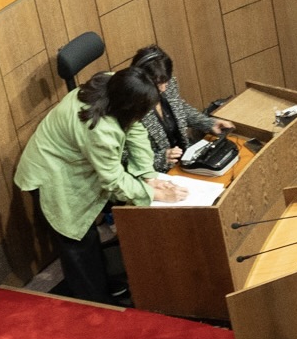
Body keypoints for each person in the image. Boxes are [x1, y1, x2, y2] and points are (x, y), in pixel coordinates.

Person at [14, 67, 183, 303]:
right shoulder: (99, 130)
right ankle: (94, 303)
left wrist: (148, 174)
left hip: (72, 164)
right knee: (78, 242)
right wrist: (153, 193)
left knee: (88, 237)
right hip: (52, 175)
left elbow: (135, 128)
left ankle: (99, 283)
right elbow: (113, 179)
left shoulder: (114, 82)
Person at [130, 44, 224, 170]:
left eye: (166, 81)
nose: (163, 88)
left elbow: (179, 108)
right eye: (158, 84)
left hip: (185, 159)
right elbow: (125, 158)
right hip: (158, 174)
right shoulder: (129, 105)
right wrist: (161, 159)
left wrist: (208, 123)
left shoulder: (167, 83)